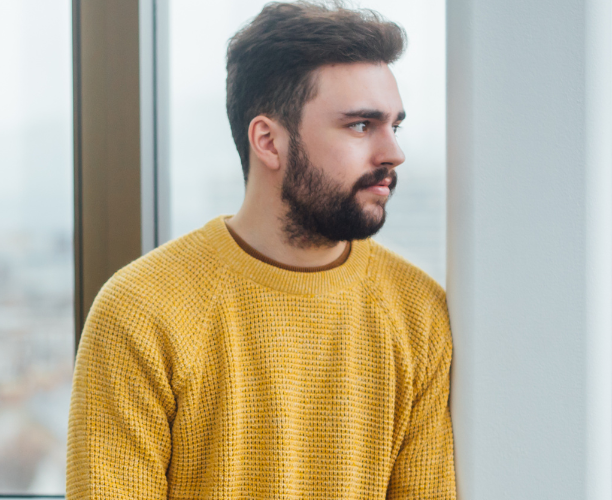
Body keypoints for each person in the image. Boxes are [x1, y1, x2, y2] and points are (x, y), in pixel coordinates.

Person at [65, 2, 456, 498]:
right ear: (268, 141)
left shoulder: (418, 311)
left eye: (393, 126)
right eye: (361, 125)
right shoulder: (141, 310)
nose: (393, 153)